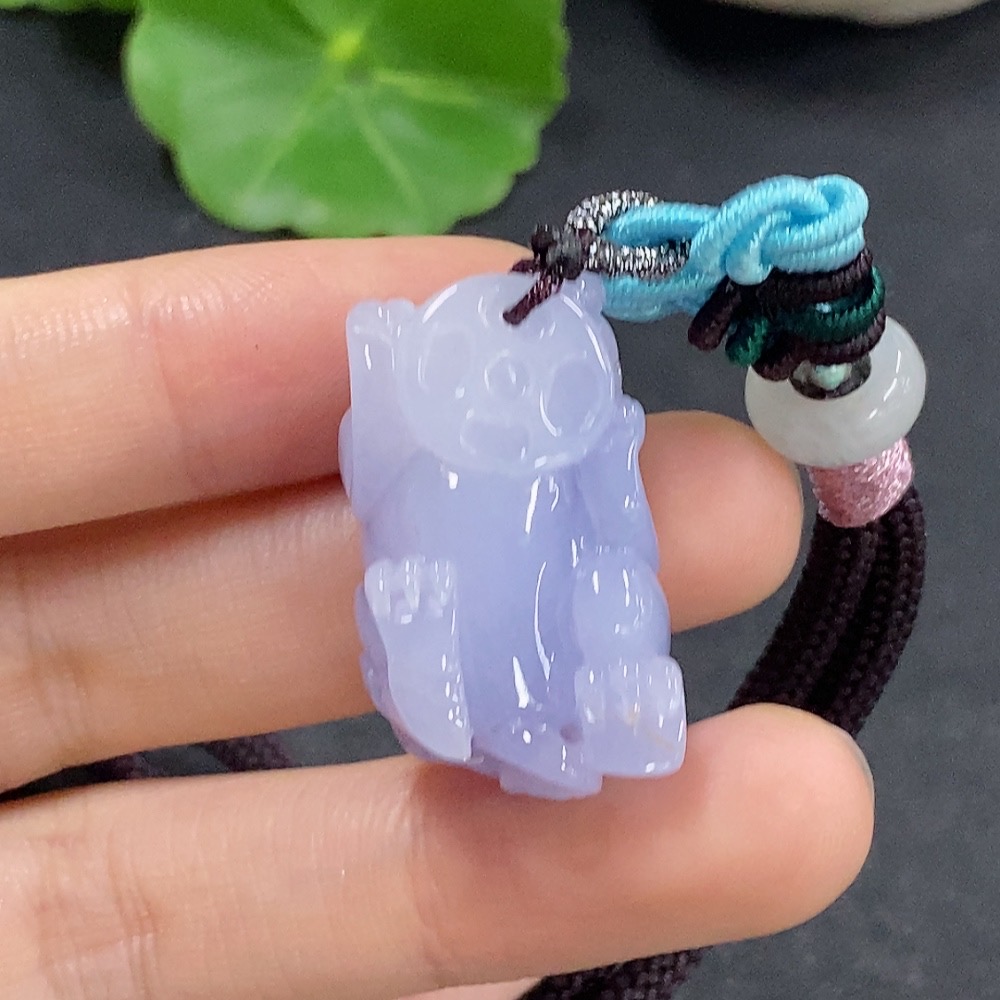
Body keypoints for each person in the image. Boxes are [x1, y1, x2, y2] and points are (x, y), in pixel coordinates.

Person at [0, 238, 874, 1000]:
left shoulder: (585, 449)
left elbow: (621, 538)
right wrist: (381, 377)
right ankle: (445, 684)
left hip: (564, 649)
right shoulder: (417, 449)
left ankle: (597, 708)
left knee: (614, 593)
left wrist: (613, 463)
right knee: (425, 625)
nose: (511, 395)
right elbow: (376, 482)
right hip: (455, 651)